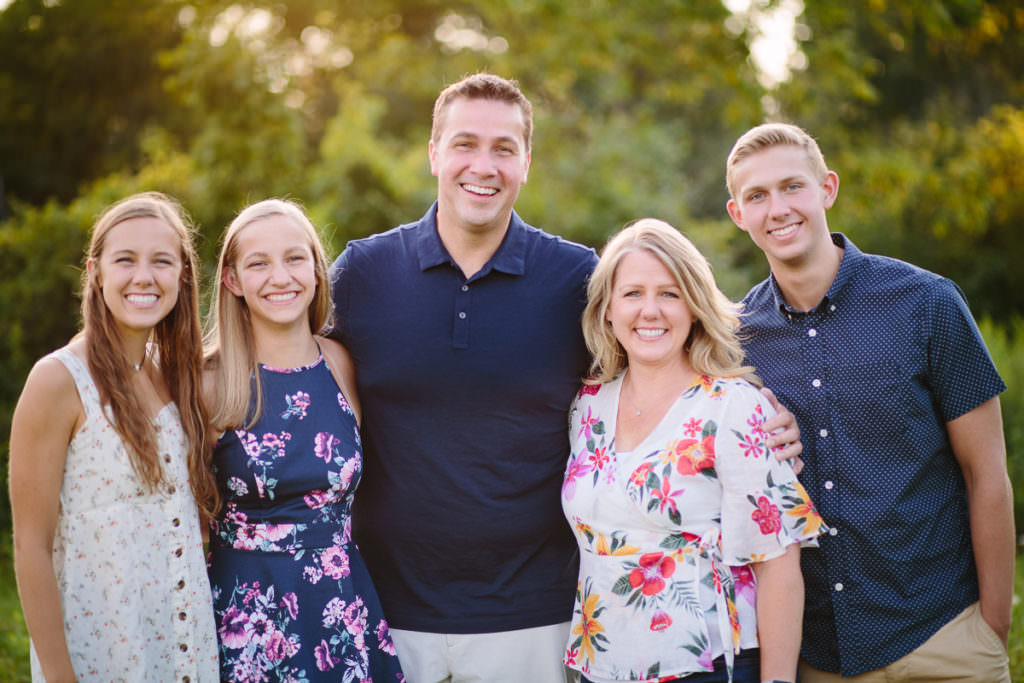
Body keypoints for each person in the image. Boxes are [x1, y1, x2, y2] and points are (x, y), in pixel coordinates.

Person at [328, 73, 804, 683]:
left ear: (526, 162)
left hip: (537, 620)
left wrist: (760, 412)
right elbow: (290, 366)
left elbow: (665, 357)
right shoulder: (363, 274)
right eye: (465, 144)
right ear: (433, 155)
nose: (484, 164)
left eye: (505, 148)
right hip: (388, 612)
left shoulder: (576, 279)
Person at [725, 122, 1014, 682]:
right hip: (818, 657)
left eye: (793, 187)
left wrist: (991, 628)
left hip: (943, 636)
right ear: (738, 214)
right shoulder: (735, 343)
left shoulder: (925, 303)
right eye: (756, 196)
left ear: (827, 189)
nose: (778, 208)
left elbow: (988, 474)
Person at [562, 218, 823, 683]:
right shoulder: (587, 407)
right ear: (606, 309)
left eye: (669, 293)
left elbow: (780, 566)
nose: (650, 311)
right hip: (600, 668)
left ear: (695, 306)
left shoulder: (734, 407)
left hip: (708, 666)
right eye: (632, 293)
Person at [9, 192, 219, 682]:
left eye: (161, 261)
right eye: (125, 259)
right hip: (101, 655)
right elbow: (31, 548)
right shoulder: (58, 381)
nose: (143, 276)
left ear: (183, 274)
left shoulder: (180, 376)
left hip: (186, 651)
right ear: (96, 271)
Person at [203, 199, 404, 682]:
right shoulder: (210, 381)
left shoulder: (338, 362)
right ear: (232, 280)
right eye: (259, 263)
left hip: (340, 603)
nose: (280, 277)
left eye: (295, 258)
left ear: (316, 268)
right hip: (246, 615)